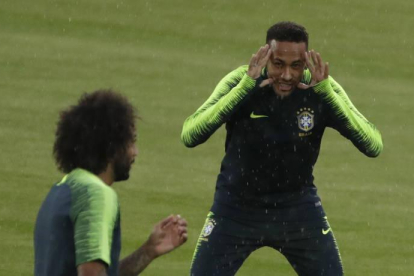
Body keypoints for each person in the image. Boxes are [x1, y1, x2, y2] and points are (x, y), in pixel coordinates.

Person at [181, 21, 383, 276]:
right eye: (278, 64)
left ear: (306, 62)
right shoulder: (242, 80)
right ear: (265, 56)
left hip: (297, 211)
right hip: (235, 209)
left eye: (296, 66)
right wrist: (244, 89)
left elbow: (373, 144)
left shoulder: (320, 86)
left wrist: (327, 93)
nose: (287, 75)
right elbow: (190, 134)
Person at [34, 90, 188, 276]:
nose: (135, 152)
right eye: (132, 142)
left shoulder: (60, 190)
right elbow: (91, 273)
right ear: (112, 146)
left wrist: (148, 251)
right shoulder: (96, 194)